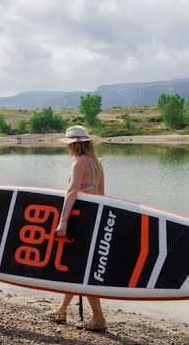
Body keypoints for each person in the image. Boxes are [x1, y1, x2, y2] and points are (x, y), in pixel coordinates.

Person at [46, 125, 107, 332]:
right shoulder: (97, 164)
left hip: (79, 220)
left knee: (80, 269)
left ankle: (98, 318)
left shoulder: (78, 162)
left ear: (75, 145)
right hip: (93, 219)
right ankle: (61, 310)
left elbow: (71, 193)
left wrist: (62, 222)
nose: (68, 149)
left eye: (69, 145)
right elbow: (101, 195)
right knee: (77, 267)